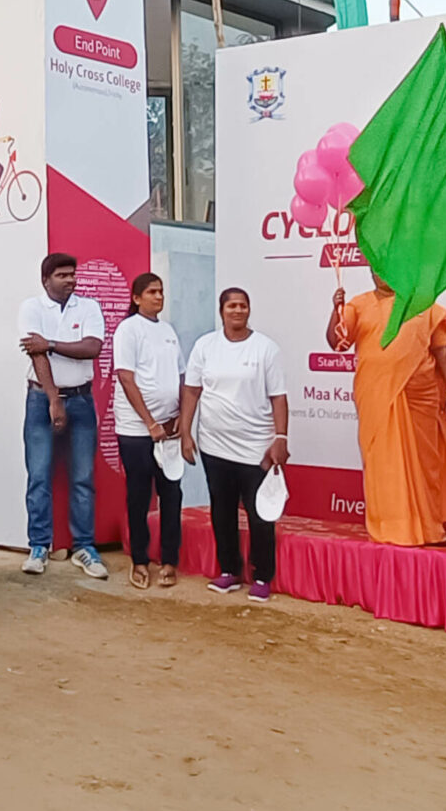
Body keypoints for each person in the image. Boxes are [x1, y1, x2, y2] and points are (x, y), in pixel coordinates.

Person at [329, 268, 446, 547]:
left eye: (389, 269)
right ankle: (391, 527)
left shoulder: (423, 304)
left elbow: (443, 349)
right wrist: (336, 309)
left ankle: (429, 528)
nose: (383, 276)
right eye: (377, 271)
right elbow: (337, 342)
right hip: (376, 394)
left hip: (421, 396)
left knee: (426, 462)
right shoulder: (358, 305)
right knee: (383, 462)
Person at [179, 286, 290, 600]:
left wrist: (280, 438)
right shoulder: (205, 346)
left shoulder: (266, 349)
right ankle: (229, 570)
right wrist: (186, 432)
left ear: (249, 310)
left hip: (256, 447)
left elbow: (279, 398)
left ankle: (262, 576)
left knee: (260, 514)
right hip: (214, 446)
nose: (238, 311)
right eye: (232, 306)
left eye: (243, 306)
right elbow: (191, 392)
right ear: (221, 311)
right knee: (222, 511)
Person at [17, 252, 110, 581]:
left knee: (82, 478)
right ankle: (39, 546)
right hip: (41, 399)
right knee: (39, 476)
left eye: (72, 274)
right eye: (62, 275)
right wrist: (54, 400)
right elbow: (35, 352)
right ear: (46, 280)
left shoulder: (89, 307)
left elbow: (92, 348)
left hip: (82, 401)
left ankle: (84, 546)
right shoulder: (32, 307)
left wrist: (51, 343)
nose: (70, 279)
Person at [112, 270, 185, 589]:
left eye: (161, 291)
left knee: (172, 495)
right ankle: (139, 560)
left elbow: (181, 377)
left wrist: (182, 414)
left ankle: (169, 561)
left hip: (169, 430)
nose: (159, 296)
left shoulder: (168, 331)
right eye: (152, 292)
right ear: (136, 298)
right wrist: (150, 423)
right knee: (139, 496)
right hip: (137, 430)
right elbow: (126, 378)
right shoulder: (128, 330)